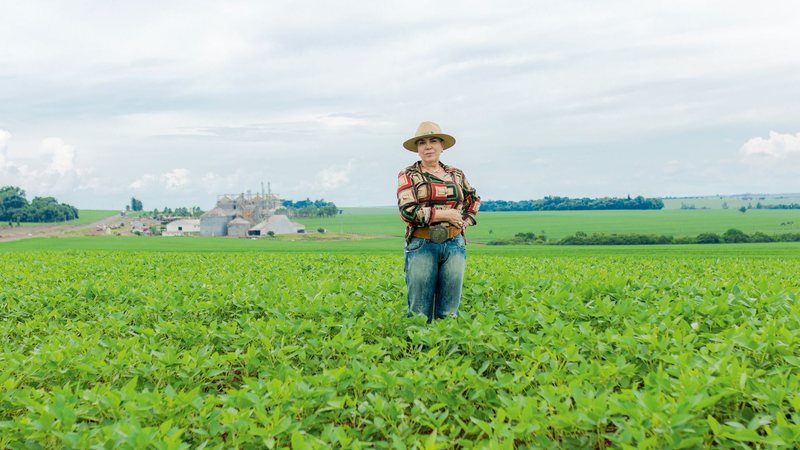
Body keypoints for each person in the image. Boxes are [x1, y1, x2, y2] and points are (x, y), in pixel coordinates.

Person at [397, 121, 480, 323]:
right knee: (419, 313)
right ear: (417, 149)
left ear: (442, 146)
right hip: (422, 244)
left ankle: (444, 351)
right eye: (422, 142)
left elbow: (473, 199)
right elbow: (408, 211)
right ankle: (420, 352)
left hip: (454, 244)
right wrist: (446, 215)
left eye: (434, 141)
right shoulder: (408, 175)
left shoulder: (456, 174)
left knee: (449, 312)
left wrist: (464, 221)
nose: (428, 146)